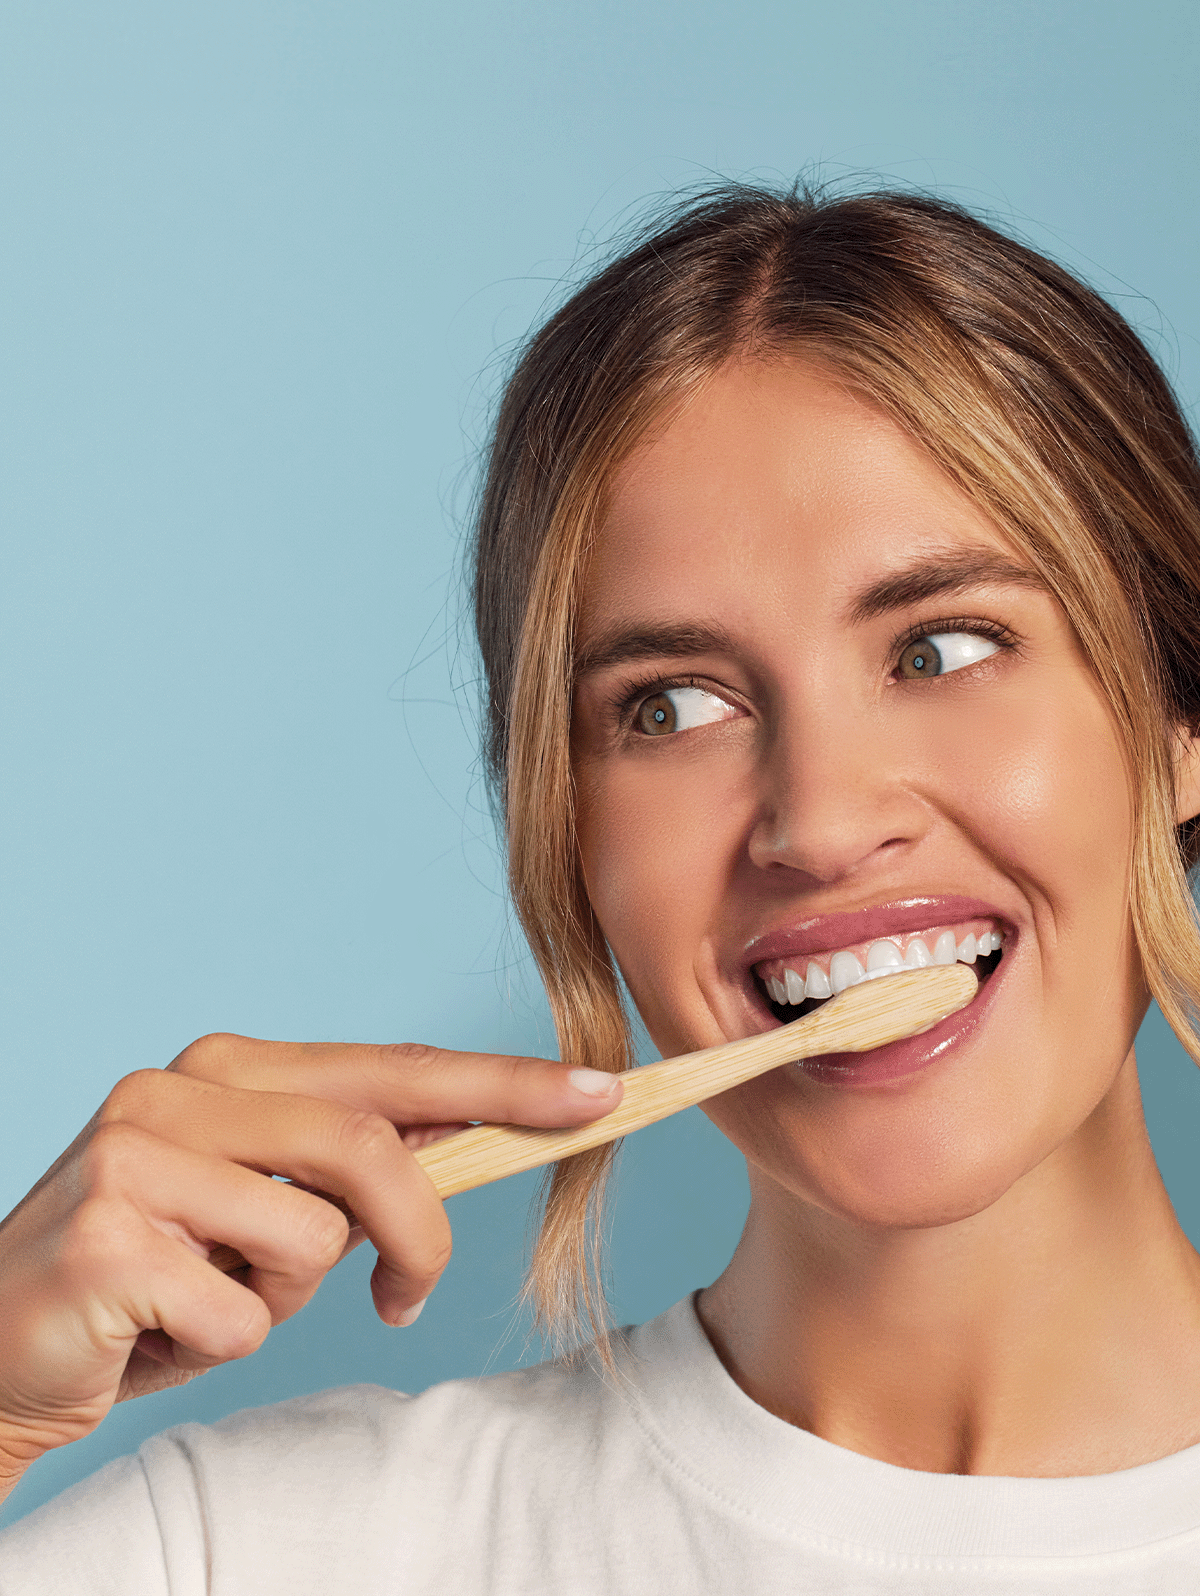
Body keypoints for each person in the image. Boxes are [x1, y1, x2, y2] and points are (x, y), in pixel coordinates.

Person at [3, 181, 1200, 1592]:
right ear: (569, 831)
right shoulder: (247, 1551)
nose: (816, 822)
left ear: (1178, 729)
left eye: (940, 648)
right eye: (673, 706)